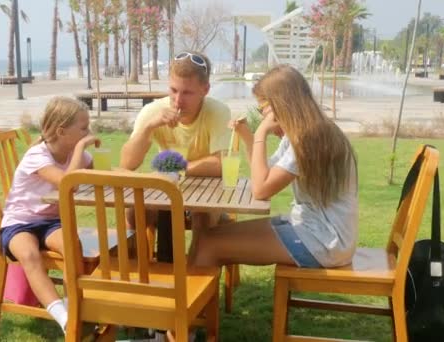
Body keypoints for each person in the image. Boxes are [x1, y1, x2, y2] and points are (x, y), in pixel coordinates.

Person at [189, 64, 358, 269]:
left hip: (324, 242)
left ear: (280, 104)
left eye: (263, 108)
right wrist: (248, 136)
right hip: (311, 229)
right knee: (209, 235)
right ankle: (197, 299)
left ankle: (191, 300)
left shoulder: (310, 138)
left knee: (208, 244)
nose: (263, 116)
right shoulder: (302, 133)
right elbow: (263, 172)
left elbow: (261, 190)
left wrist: (261, 132)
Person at [0, 96, 99, 333]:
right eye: (83, 128)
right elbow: (67, 183)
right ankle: (64, 317)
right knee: (30, 255)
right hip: (20, 222)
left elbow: (93, 179)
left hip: (52, 222)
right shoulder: (38, 155)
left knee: (72, 246)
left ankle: (74, 307)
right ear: (62, 131)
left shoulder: (79, 157)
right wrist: (82, 148)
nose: (89, 132)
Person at [120, 51, 232, 241]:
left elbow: (221, 165)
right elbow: (126, 164)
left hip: (207, 191)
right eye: (173, 90)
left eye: (187, 92)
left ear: (205, 89)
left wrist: (176, 168)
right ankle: (136, 269)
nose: (178, 100)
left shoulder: (217, 112)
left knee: (202, 216)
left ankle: (196, 269)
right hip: (165, 189)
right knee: (134, 213)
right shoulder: (153, 111)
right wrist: (148, 127)